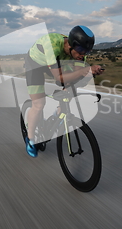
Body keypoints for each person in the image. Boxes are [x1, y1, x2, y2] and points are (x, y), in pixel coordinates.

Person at [23, 25, 104, 157]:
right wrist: (85, 70)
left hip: (56, 63)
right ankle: (30, 139)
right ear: (71, 44)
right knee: (38, 104)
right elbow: (59, 78)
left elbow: (78, 76)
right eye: (80, 49)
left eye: (87, 51)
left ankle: (58, 113)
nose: (82, 54)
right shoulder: (52, 44)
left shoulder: (79, 55)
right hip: (35, 64)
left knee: (72, 83)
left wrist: (89, 72)